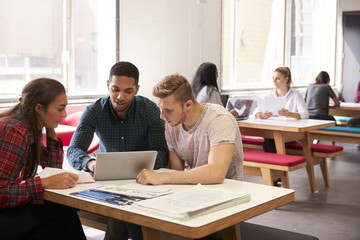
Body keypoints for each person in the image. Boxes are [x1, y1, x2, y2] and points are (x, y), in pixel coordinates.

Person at [67, 61, 169, 240]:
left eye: (128, 91)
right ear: (108, 85)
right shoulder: (95, 110)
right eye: (115, 89)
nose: (120, 96)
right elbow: (74, 149)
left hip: (143, 182)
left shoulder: (150, 110)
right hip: (107, 183)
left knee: (122, 210)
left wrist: (145, 170)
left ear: (137, 89)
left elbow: (161, 152)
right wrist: (90, 163)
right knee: (122, 209)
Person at [0, 78, 86, 240]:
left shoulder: (28, 127)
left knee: (54, 229)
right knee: (63, 211)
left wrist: (50, 128)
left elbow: (52, 168)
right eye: (60, 109)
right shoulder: (14, 132)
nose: (64, 114)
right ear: (39, 108)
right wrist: (44, 183)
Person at [137, 73, 243, 185]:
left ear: (188, 105)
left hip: (229, 191)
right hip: (195, 189)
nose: (162, 116)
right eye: (161, 109)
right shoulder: (172, 124)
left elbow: (216, 173)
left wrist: (163, 176)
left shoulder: (219, 119)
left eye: (168, 110)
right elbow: (175, 172)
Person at [254, 67, 309, 153]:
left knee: (268, 141)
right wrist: (260, 115)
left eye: (277, 78)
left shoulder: (295, 95)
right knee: (268, 139)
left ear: (286, 79)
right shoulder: (271, 94)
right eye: (273, 78)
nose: (274, 81)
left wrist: (289, 114)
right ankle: (275, 164)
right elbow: (257, 110)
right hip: (274, 131)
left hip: (290, 132)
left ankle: (273, 165)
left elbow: (305, 114)